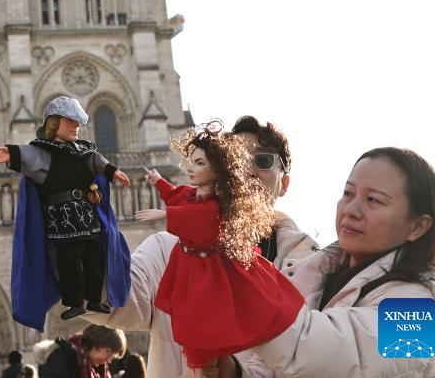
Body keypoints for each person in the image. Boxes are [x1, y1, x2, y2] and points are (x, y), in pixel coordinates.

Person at [107, 115, 317, 378]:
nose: (246, 170)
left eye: (262, 160)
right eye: (234, 161)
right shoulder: (167, 249)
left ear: (284, 183)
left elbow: (329, 359)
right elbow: (116, 296)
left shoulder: (315, 267)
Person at [225, 147, 435, 377]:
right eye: (348, 193)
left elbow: (321, 355)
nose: (351, 209)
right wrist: (235, 372)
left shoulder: (427, 313)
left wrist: (233, 288)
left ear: (418, 226)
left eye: (373, 200)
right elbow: (278, 368)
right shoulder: (315, 277)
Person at [0, 96, 131, 329]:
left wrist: (112, 172)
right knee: (70, 262)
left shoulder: (84, 150)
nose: (76, 126)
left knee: (95, 257)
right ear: (54, 124)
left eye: (78, 122)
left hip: (87, 216)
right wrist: (11, 155)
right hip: (61, 220)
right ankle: (74, 302)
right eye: (71, 122)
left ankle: (95, 299)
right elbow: (28, 156)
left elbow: (97, 162)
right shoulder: (44, 152)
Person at [34, 324, 127, 378]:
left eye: (113, 356)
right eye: (108, 351)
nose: (109, 360)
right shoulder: (61, 358)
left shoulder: (99, 368)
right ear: (96, 343)